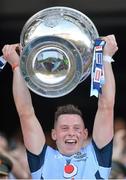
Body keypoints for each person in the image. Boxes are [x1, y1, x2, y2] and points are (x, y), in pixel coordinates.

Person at [2, 34, 118, 179]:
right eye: (64, 128)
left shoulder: (97, 156)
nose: (71, 133)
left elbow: (106, 107)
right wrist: (16, 66)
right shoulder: (43, 159)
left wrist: (106, 58)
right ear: (54, 134)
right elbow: (25, 113)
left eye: (76, 128)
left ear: (84, 134)